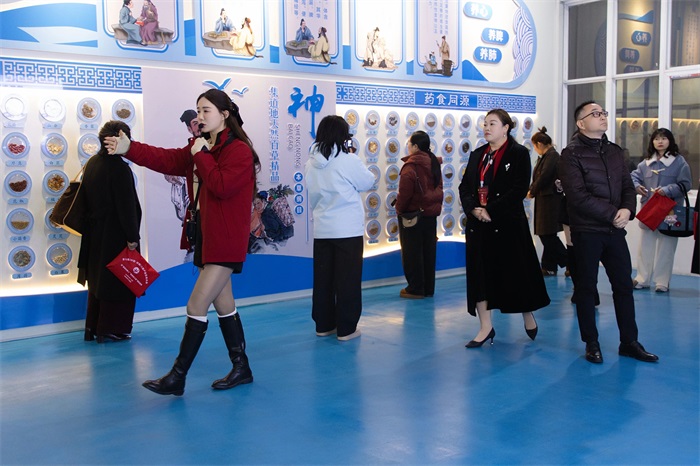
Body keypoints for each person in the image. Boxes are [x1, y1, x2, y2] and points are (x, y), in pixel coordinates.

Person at [104, 89, 262, 395]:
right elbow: (166, 159)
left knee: (196, 304)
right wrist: (130, 148)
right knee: (224, 303)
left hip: (226, 240)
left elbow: (221, 186)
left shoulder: (238, 150)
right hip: (206, 236)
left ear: (224, 114)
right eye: (198, 111)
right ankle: (241, 367)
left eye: (206, 111)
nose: (199, 117)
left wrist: (200, 154)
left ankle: (177, 377)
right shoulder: (201, 147)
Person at [559, 100, 658, 364]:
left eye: (603, 112)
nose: (602, 116)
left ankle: (629, 342)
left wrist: (627, 210)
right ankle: (591, 342)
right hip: (587, 231)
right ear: (581, 123)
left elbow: (627, 186)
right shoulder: (570, 154)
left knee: (624, 286)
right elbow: (577, 196)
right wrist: (613, 214)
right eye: (595, 114)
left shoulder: (615, 152)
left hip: (614, 232)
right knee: (586, 288)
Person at [458, 109, 549, 348]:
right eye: (485, 124)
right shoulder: (478, 154)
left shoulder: (519, 154)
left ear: (506, 127)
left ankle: (527, 313)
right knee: (480, 277)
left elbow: (518, 189)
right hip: (479, 225)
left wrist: (491, 210)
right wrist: (474, 209)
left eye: (492, 124)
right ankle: (485, 327)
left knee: (515, 273)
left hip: (507, 224)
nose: (487, 128)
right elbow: (464, 187)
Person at [305, 115, 375, 341]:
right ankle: (346, 328)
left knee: (323, 280)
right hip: (347, 230)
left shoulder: (310, 162)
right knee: (348, 280)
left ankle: (324, 325)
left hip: (322, 229)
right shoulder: (348, 160)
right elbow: (368, 181)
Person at [78, 120, 142, 343]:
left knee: (97, 283)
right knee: (119, 283)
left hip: (95, 234)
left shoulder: (93, 163)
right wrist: (132, 237)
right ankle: (112, 329)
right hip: (116, 236)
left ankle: (93, 327)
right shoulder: (120, 169)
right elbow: (127, 208)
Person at [631, 128, 692, 292]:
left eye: (664, 138)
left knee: (667, 247)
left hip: (670, 211)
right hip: (649, 210)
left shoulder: (679, 162)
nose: (660, 142)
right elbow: (633, 176)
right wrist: (637, 186)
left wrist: (667, 190)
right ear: (652, 142)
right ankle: (642, 279)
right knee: (645, 246)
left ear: (670, 141)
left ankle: (662, 282)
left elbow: (686, 184)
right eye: (657, 138)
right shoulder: (646, 163)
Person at [395, 130, 443, 299]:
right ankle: (428, 288)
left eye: (409, 143)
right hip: (430, 215)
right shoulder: (434, 162)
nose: (408, 146)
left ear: (415, 146)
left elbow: (405, 194)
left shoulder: (411, 166)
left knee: (412, 253)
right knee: (429, 252)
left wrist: (399, 210)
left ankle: (415, 289)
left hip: (413, 216)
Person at [527, 126, 567, 276]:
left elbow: (544, 177)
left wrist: (532, 190)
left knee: (547, 234)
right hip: (545, 199)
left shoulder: (552, 156)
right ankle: (549, 266)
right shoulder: (547, 156)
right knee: (547, 234)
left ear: (539, 144)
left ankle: (569, 261)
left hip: (550, 201)